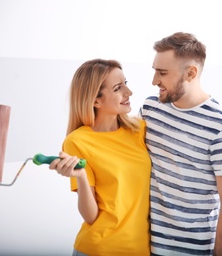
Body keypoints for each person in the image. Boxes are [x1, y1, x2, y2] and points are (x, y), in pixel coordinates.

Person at [140, 32, 222, 256]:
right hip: (143, 245)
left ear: (191, 73)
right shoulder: (150, 109)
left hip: (193, 250)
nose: (154, 81)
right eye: (155, 70)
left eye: (163, 73)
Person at [49, 59, 151, 256]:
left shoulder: (139, 131)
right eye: (118, 88)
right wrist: (80, 177)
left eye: (126, 84)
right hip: (99, 249)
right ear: (96, 100)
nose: (128, 93)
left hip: (142, 249)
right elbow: (90, 216)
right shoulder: (77, 141)